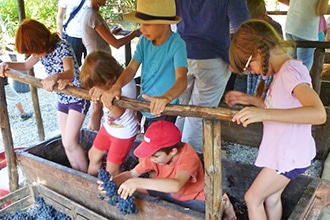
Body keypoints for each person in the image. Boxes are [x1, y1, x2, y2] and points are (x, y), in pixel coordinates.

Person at [225, 20, 326, 219]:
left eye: (248, 65)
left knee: (252, 198)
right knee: (271, 199)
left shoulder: (290, 72)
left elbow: (318, 113)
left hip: (289, 155)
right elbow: (278, 106)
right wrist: (250, 100)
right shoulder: (282, 72)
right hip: (288, 152)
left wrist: (265, 114)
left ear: (258, 51)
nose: (252, 71)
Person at [0, 19, 90, 172]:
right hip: (62, 99)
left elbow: (70, 73)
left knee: (70, 143)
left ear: (42, 41)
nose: (34, 55)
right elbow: (25, 66)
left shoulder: (62, 46)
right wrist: (6, 65)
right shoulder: (40, 51)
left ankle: (88, 177)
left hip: (77, 98)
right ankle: (78, 175)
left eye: (34, 50)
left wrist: (55, 76)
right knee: (66, 142)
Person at [174, 0, 249, 154]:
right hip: (213, 59)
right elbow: (245, 31)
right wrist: (238, 60)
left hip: (180, 55)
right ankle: (188, 162)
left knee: (182, 109)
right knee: (198, 114)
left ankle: (171, 151)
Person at [101, 0, 188, 132]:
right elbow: (131, 68)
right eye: (140, 23)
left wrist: (166, 98)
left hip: (165, 110)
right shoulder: (144, 41)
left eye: (147, 23)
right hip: (143, 106)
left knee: (159, 150)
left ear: (164, 23)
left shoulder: (177, 44)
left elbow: (182, 79)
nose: (141, 28)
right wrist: (117, 86)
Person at [81, 0, 141, 131]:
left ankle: (96, 133)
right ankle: (94, 134)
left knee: (97, 105)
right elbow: (116, 44)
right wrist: (135, 33)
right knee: (98, 106)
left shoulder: (87, 12)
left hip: (95, 62)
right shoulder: (93, 16)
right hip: (98, 66)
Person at [80, 50, 138, 177]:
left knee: (112, 169)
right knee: (93, 155)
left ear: (109, 80)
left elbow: (117, 113)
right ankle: (91, 184)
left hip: (123, 133)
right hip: (108, 128)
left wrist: (103, 94)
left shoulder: (125, 85)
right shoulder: (108, 84)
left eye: (97, 85)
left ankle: (117, 192)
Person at [278, 0, 330, 71]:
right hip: (305, 30)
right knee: (303, 68)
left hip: (290, 26)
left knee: (291, 64)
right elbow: (321, 10)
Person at [0, 49, 33, 120]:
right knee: (16, 98)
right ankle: (23, 114)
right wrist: (5, 54)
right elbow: (9, 63)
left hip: (4, 84)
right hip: (4, 85)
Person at [57, 0, 87, 67]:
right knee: (74, 64)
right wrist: (60, 35)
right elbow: (60, 17)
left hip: (89, 34)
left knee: (92, 63)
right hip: (73, 35)